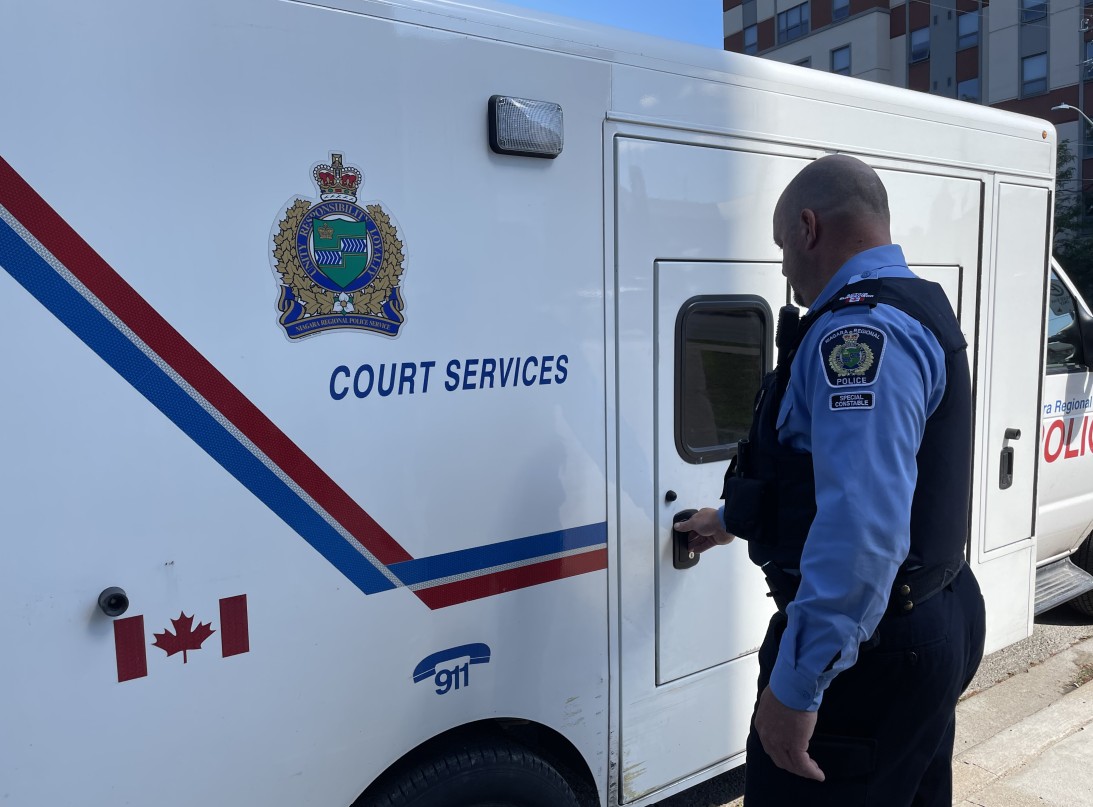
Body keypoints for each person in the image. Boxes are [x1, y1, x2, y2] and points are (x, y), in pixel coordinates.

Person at [675, 154, 986, 805]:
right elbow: (813, 474)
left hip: (868, 647)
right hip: (925, 613)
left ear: (806, 228)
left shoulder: (857, 334)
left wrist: (796, 685)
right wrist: (728, 519)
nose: (783, 266)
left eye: (781, 245)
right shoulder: (909, 308)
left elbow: (860, 533)